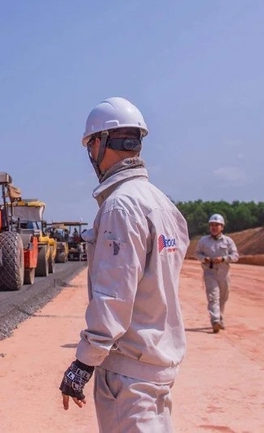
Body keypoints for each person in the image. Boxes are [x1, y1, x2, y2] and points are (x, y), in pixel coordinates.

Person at [59, 97, 190, 432]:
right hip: (156, 369)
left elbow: (114, 296)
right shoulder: (161, 203)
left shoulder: (121, 206)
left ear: (101, 143)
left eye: (91, 145)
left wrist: (83, 363)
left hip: (129, 375)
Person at [194, 214, 239, 333]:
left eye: (217, 225)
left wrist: (223, 259)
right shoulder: (203, 241)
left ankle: (220, 319)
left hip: (224, 274)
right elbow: (197, 254)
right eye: (212, 225)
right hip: (210, 273)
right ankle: (215, 320)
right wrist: (205, 259)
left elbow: (235, 256)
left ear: (222, 227)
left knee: (223, 298)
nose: (214, 227)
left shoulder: (228, 241)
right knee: (213, 297)